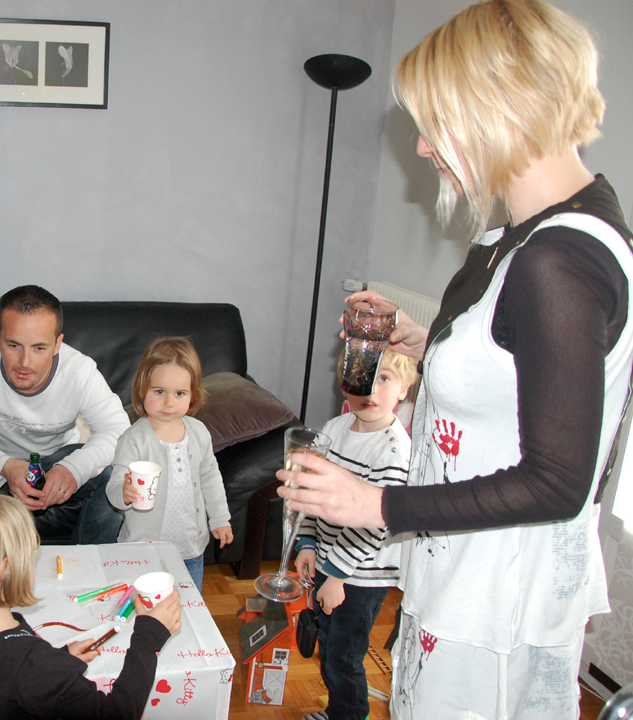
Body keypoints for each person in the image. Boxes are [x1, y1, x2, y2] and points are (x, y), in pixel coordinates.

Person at [278, 1, 633, 718]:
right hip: (458, 570)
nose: (420, 147)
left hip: (494, 601)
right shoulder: (513, 236)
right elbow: (515, 361)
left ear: (499, 104)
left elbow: (558, 483)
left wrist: (372, 503)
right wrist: (424, 338)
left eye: (434, 122)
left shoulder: (560, 260)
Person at [0, 491, 182, 719]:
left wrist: (60, 660)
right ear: (5, 570)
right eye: (30, 559)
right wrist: (148, 639)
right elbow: (118, 714)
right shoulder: (34, 666)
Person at [0, 285, 131, 544]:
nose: (24, 362)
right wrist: (5, 466)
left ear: (57, 344)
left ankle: (89, 559)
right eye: (13, 345)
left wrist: (72, 469)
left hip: (52, 466)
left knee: (110, 476)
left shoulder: (80, 372)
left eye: (39, 348)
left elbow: (118, 431)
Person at [294, 348, 416, 720]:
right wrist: (308, 540)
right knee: (327, 643)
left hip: (360, 576)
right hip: (330, 563)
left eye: (384, 379)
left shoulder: (393, 451)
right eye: (362, 378)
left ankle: (349, 714)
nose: (370, 389)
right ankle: (338, 710)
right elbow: (315, 490)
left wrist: (336, 577)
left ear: (404, 389)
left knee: (343, 656)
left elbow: (374, 523)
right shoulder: (334, 429)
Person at [105, 337, 233, 591]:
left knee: (190, 604)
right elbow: (115, 484)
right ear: (142, 390)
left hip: (190, 550)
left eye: (179, 393)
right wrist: (124, 492)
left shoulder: (198, 432)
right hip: (143, 551)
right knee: (143, 603)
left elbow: (210, 476)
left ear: (192, 395)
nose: (169, 402)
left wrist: (220, 518)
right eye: (159, 391)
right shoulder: (133, 439)